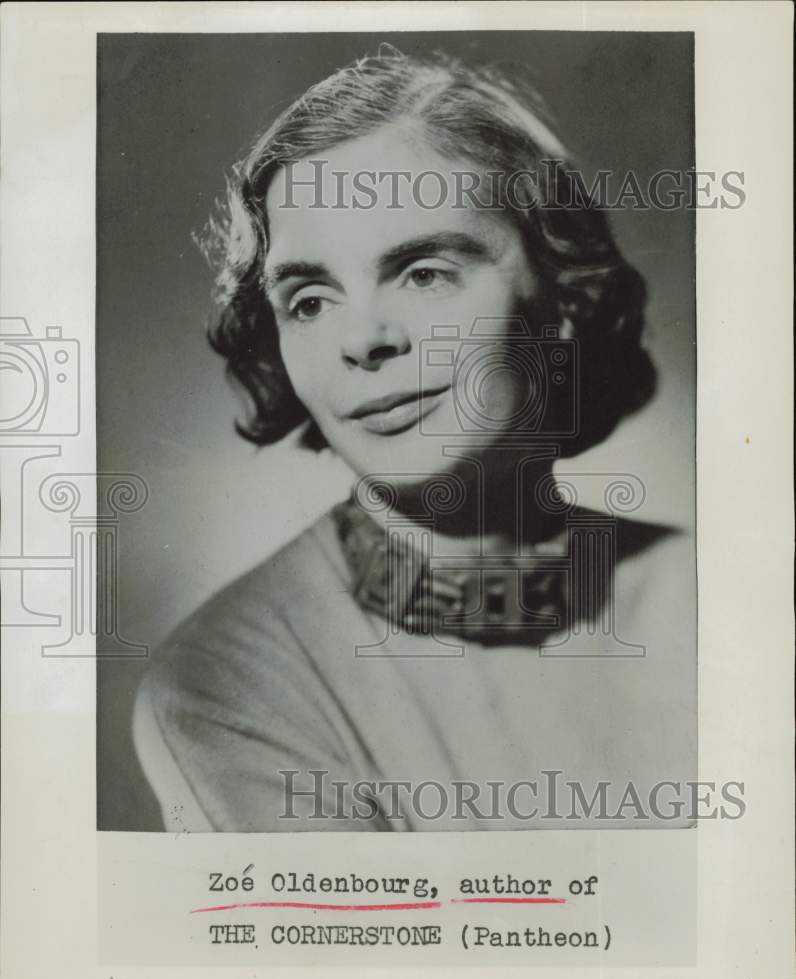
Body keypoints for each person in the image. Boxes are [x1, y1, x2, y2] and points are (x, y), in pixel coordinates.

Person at [133, 48, 696, 832]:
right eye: (309, 299)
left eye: (424, 272)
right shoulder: (227, 686)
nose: (362, 339)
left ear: (562, 299)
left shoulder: (711, 595)